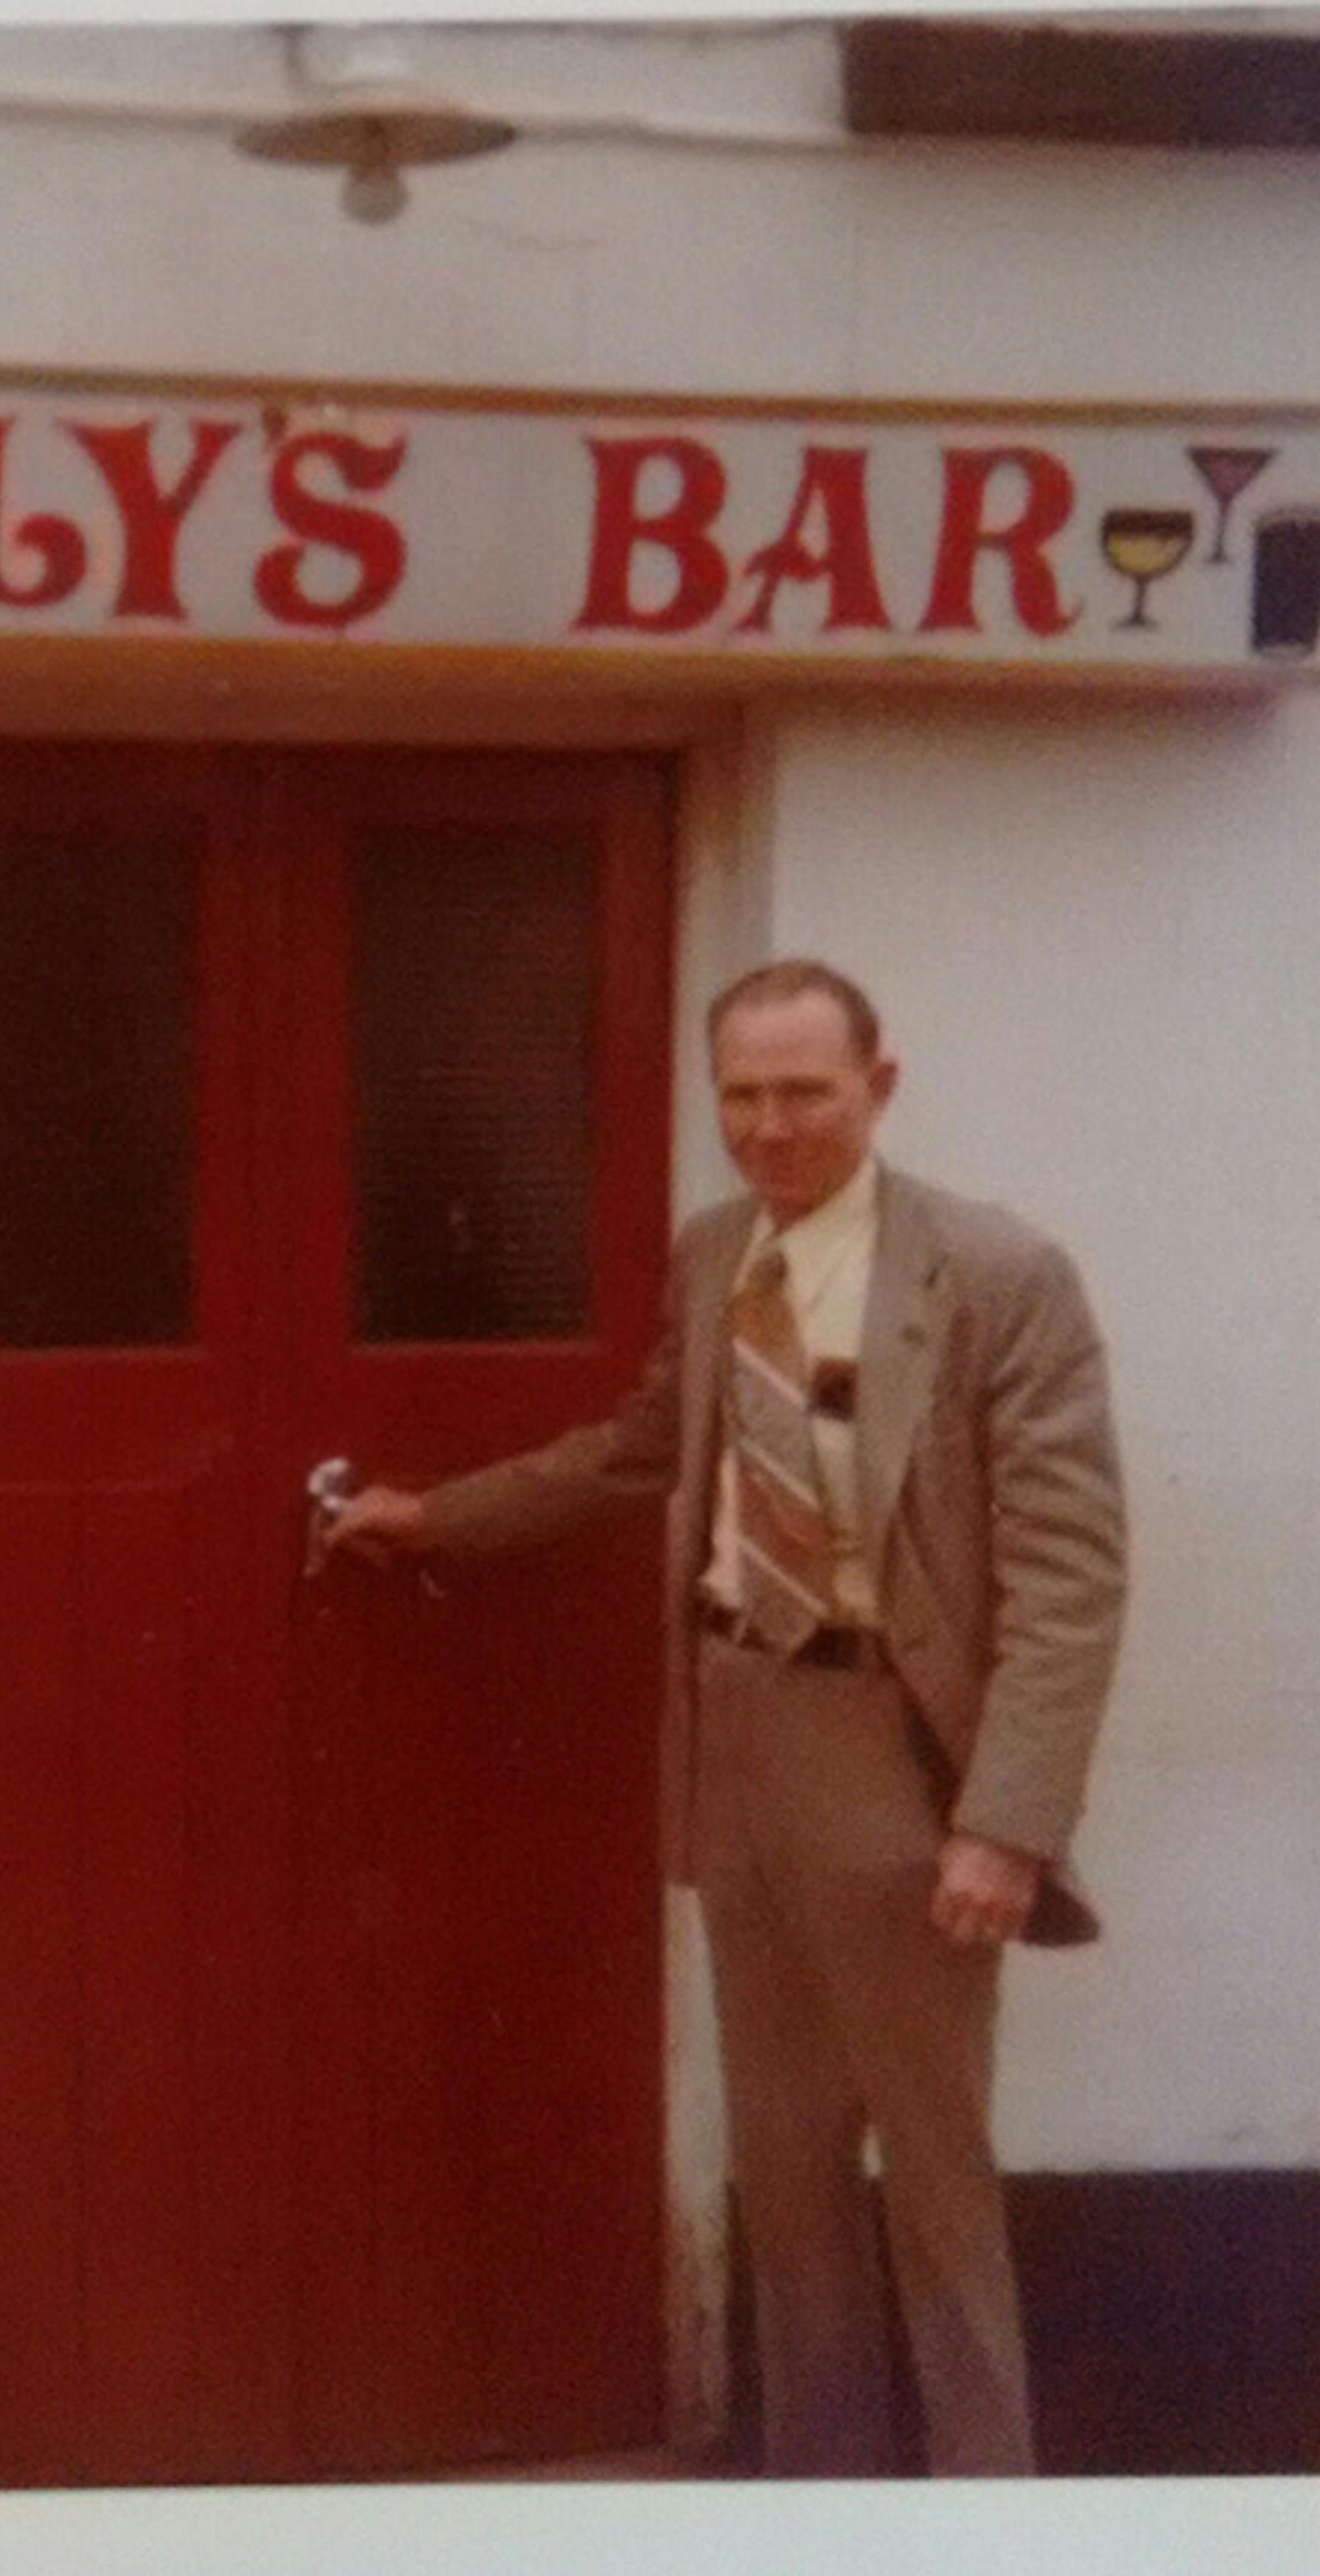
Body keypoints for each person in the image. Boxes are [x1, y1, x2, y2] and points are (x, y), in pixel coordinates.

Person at [320, 958, 1125, 2479]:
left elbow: (1073, 1581)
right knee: (788, 2172)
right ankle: (823, 2493)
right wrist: (442, 1517)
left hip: (895, 1764)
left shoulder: (999, 1275)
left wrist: (1007, 1823)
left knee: (937, 2187)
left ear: (879, 1086)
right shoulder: (714, 1256)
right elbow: (641, 1448)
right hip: (737, 1749)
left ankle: (993, 2514)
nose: (771, 1126)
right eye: (742, 1095)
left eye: (804, 1090)